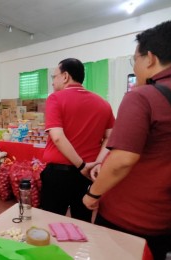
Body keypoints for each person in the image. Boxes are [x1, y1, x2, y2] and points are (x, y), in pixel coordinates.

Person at [83, 18, 171, 260]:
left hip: (131, 217)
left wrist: (93, 193)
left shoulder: (143, 96)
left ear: (150, 58)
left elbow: (123, 160)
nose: (135, 67)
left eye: (134, 60)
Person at [40, 58, 115, 222]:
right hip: (87, 177)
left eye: (54, 77)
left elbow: (58, 137)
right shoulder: (103, 104)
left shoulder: (56, 98)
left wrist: (81, 165)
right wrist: (96, 164)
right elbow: (111, 137)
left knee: (50, 222)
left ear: (65, 76)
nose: (53, 82)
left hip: (59, 175)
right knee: (82, 223)